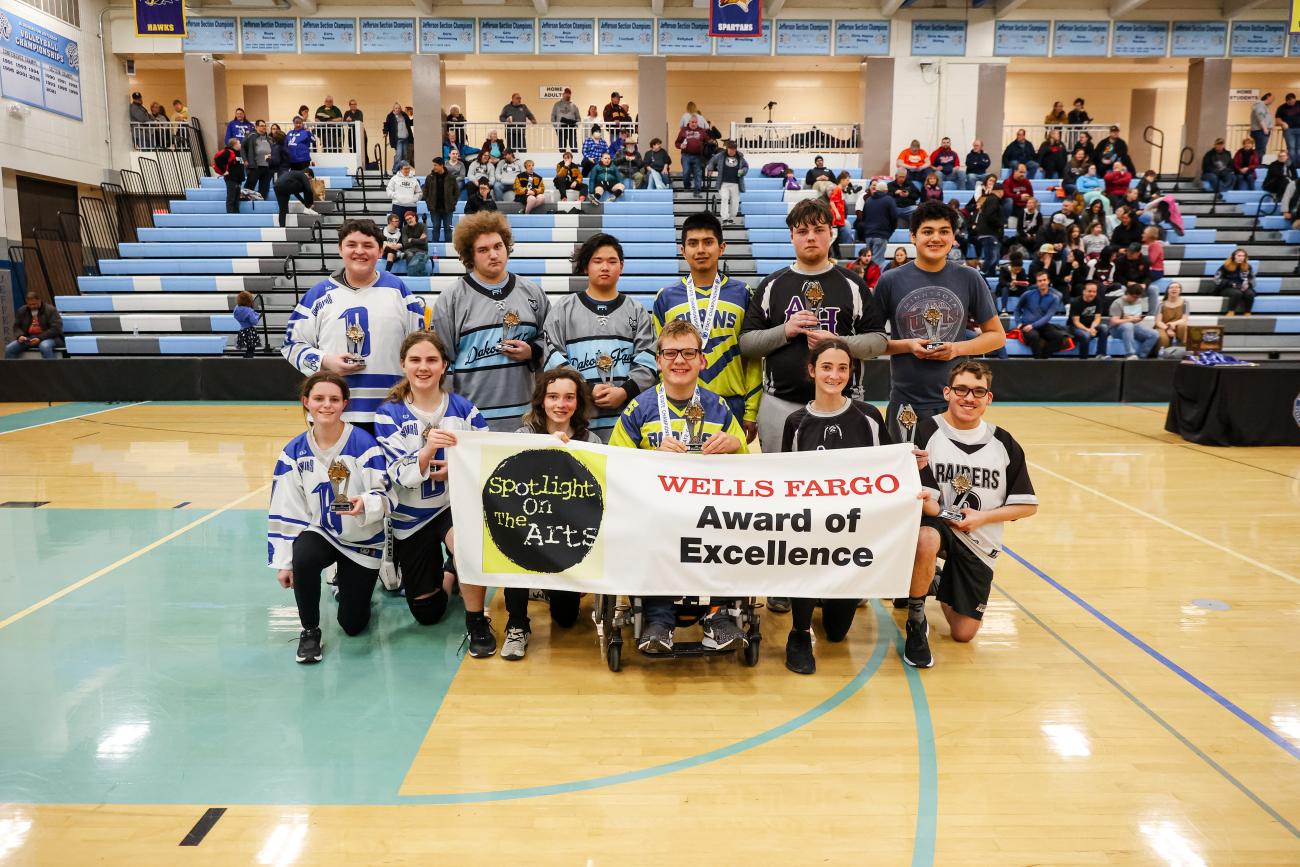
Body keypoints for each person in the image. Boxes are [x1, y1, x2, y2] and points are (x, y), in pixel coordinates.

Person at [780, 337, 941, 673]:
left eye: (842, 368)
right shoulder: (796, 422)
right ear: (812, 371)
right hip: (810, 531)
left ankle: (833, 594)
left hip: (853, 532)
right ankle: (798, 632)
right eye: (826, 367)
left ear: (851, 373)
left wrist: (908, 465)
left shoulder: (867, 416)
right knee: (803, 546)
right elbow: (785, 480)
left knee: (837, 634)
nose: (834, 375)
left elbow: (886, 469)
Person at [609, 318, 748, 654]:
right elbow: (613, 463)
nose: (680, 361)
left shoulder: (719, 407)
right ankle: (659, 619)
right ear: (658, 361)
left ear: (702, 359)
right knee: (652, 533)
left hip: (709, 512)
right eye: (670, 354)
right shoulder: (638, 409)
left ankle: (718, 616)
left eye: (688, 352)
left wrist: (733, 445)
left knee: (732, 530)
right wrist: (652, 456)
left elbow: (746, 462)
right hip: (655, 514)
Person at [911, 361, 1038, 665]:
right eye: (962, 389)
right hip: (938, 524)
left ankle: (936, 580)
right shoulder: (926, 430)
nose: (969, 398)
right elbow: (927, 503)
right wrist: (943, 512)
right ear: (947, 392)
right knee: (925, 539)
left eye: (978, 391)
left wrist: (982, 518)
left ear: (988, 398)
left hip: (978, 535)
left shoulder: (1004, 442)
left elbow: (1028, 505)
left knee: (963, 633)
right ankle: (915, 620)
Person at [375, 332, 493, 656]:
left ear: (444, 366)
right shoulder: (388, 414)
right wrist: (428, 450)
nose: (423, 367)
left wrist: (456, 469)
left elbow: (487, 458)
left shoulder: (464, 410)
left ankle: (476, 620)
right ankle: (449, 574)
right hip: (411, 519)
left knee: (468, 549)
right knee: (428, 614)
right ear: (403, 365)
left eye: (431, 360)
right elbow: (400, 474)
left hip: (452, 505)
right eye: (415, 360)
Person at [738, 197, 887, 452]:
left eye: (818, 230)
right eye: (802, 231)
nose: (810, 237)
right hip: (780, 404)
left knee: (840, 485)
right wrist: (785, 330)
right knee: (783, 484)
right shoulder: (772, 284)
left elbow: (879, 341)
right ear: (791, 237)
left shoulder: (852, 283)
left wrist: (838, 343)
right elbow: (747, 344)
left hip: (845, 404)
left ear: (831, 233)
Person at [268, 372, 392, 664]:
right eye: (319, 399)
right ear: (306, 402)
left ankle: (351, 588)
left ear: (345, 404)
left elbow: (387, 495)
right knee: (305, 555)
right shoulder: (293, 452)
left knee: (352, 625)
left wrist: (366, 503)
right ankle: (309, 631)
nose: (327, 405)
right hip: (322, 532)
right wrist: (286, 562)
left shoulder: (364, 444)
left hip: (362, 540)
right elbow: (287, 509)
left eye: (334, 399)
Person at [876, 200, 1004, 443]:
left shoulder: (970, 277)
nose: (936, 238)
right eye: (927, 231)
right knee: (908, 477)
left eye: (944, 231)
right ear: (913, 237)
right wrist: (907, 345)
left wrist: (956, 349)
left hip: (957, 403)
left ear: (954, 237)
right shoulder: (890, 280)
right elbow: (871, 341)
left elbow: (996, 336)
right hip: (906, 403)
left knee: (953, 479)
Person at [282, 220, 426, 426]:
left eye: (368, 245)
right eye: (351, 245)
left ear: (380, 250)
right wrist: (325, 361)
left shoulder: (399, 291)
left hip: (391, 411)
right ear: (340, 249)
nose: (360, 251)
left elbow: (420, 347)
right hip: (333, 412)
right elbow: (291, 345)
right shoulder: (317, 295)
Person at [499, 369, 598, 660]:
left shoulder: (590, 440)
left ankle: (544, 589)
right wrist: (545, 447)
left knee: (566, 618)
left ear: (578, 403)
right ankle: (517, 624)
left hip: (566, 535)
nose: (560, 404)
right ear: (541, 401)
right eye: (553, 396)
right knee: (512, 541)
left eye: (569, 397)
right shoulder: (523, 436)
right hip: (528, 528)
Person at [431, 211, 549, 431]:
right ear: (470, 255)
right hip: (472, 421)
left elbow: (552, 342)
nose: (493, 254)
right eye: (483, 250)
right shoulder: (451, 299)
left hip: (526, 420)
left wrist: (532, 351)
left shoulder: (533, 293)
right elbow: (441, 364)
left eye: (498, 246)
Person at [654, 212, 761, 443]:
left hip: (732, 402)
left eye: (708, 242)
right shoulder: (665, 298)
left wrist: (751, 410)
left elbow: (752, 357)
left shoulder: (743, 293)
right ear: (682, 250)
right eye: (693, 243)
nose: (700, 249)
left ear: (722, 247)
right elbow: (660, 358)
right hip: (679, 403)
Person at [544, 234, 657, 440]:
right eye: (597, 261)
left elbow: (649, 360)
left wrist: (625, 391)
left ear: (621, 266)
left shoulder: (637, 311)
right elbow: (552, 358)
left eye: (612, 261)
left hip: (626, 423)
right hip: (577, 424)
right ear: (586, 266)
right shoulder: (563, 309)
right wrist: (586, 389)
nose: (605, 267)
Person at [1016, 271, 1066, 358]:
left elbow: (1048, 316)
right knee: (1034, 336)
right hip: (1027, 324)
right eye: (1039, 281)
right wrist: (1018, 323)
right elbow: (1017, 309)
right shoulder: (1027, 294)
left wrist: (1033, 325)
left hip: (1042, 324)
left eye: (1044, 280)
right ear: (1037, 283)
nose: (1042, 282)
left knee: (1059, 337)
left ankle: (1043, 358)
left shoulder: (1054, 298)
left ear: (1048, 281)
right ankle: (1038, 360)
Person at [5, 291, 61, 359]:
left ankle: (51, 369)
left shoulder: (50, 310)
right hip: (28, 338)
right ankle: (11, 369)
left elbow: (56, 328)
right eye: (30, 304)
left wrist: (39, 338)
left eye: (34, 304)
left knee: (45, 347)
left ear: (39, 300)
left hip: (49, 338)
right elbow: (17, 326)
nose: (32, 306)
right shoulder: (22, 310)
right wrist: (20, 336)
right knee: (9, 349)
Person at [1108, 284, 1159, 358]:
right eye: (1134, 297)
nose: (1135, 299)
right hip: (1117, 329)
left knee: (1154, 334)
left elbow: (1136, 317)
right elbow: (1114, 321)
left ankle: (1142, 356)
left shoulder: (1138, 301)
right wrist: (1130, 319)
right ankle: (1130, 354)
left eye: (1137, 297)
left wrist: (1137, 319)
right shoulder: (1117, 303)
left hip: (1133, 326)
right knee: (1128, 325)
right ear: (1128, 294)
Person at [856, 180, 899, 263]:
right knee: (877, 263)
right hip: (881, 234)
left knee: (868, 262)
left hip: (868, 235)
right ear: (886, 190)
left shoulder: (868, 201)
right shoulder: (889, 200)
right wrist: (891, 230)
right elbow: (894, 217)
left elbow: (864, 218)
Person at [1068, 281, 1110, 359]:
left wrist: (1092, 328)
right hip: (1075, 327)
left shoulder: (1098, 300)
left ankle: (1101, 354)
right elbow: (1076, 322)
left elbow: (1097, 318)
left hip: (1090, 326)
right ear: (1084, 291)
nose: (1092, 294)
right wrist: (1088, 330)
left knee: (1104, 328)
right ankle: (1084, 359)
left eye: (1094, 292)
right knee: (1086, 335)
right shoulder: (1076, 302)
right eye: (1089, 291)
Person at [422, 158, 458, 244]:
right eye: (433, 165)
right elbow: (425, 192)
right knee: (436, 228)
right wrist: (429, 203)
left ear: (441, 165)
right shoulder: (429, 177)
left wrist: (452, 203)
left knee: (448, 229)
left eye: (435, 165)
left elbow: (456, 192)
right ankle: (435, 250)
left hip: (448, 209)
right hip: (434, 209)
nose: (433, 167)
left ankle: (449, 248)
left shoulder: (451, 177)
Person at [973, 184, 1006, 277]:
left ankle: (990, 274)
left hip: (987, 233)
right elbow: (990, 215)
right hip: (989, 233)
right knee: (991, 257)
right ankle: (981, 275)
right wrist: (1000, 225)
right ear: (1000, 191)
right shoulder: (993, 200)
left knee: (993, 257)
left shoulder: (990, 200)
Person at [1215, 248, 1256, 316]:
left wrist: (1248, 284)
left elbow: (1252, 279)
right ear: (1234, 256)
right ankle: (1231, 311)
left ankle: (1247, 312)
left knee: (1250, 293)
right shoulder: (1226, 266)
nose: (1241, 258)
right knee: (1237, 293)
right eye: (1239, 256)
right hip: (1228, 288)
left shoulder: (1248, 266)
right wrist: (1230, 284)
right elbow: (1217, 279)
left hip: (1242, 287)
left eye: (1243, 256)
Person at [241, 120, 274, 201]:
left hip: (267, 167)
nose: (264, 127)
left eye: (264, 126)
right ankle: (245, 203)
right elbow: (242, 148)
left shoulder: (269, 138)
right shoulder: (250, 136)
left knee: (264, 188)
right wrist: (245, 160)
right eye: (261, 125)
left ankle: (261, 204)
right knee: (249, 186)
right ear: (256, 127)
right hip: (254, 166)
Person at [675, 118, 707, 196]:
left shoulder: (702, 131)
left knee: (698, 174)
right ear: (689, 122)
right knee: (686, 172)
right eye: (692, 122)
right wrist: (680, 145)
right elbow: (677, 143)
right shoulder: (683, 130)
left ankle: (697, 191)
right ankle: (687, 186)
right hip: (686, 155)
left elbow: (707, 142)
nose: (694, 124)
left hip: (698, 156)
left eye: (695, 122)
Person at [213, 138, 245, 215]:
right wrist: (224, 171)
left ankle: (236, 214)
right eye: (239, 143)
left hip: (238, 179)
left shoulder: (238, 153)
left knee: (237, 198)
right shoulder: (228, 152)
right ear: (235, 145)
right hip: (231, 179)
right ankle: (230, 215)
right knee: (231, 197)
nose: (240, 144)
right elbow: (217, 160)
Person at [1155, 281, 1188, 350]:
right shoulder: (1161, 304)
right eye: (1171, 287)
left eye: (1177, 287)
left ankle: (1182, 348)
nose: (1174, 289)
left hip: (1177, 325)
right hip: (1163, 327)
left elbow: (1184, 319)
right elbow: (1158, 322)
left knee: (1183, 326)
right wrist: (1168, 329)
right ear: (1168, 291)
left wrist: (1173, 323)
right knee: (1164, 339)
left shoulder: (1185, 303)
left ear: (1180, 291)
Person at [384, 102, 414, 172]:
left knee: (405, 156)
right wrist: (385, 132)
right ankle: (395, 170)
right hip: (398, 139)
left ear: (400, 109)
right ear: (393, 109)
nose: (397, 109)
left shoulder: (404, 115)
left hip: (406, 138)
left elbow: (409, 123)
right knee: (399, 155)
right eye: (396, 108)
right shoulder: (390, 116)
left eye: (399, 108)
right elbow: (387, 125)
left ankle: (404, 170)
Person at [400, 211, 429, 277]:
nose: (409, 220)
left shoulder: (423, 226)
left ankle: (414, 276)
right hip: (409, 250)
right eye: (407, 220)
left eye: (410, 218)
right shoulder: (404, 229)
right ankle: (412, 276)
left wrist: (411, 240)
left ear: (415, 217)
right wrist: (419, 240)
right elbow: (405, 244)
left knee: (418, 256)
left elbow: (424, 242)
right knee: (410, 255)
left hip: (422, 250)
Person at [551, 87, 581, 151]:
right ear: (563, 94)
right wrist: (556, 127)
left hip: (571, 129)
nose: (568, 95)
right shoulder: (557, 105)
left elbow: (578, 118)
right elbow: (553, 116)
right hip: (561, 129)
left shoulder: (574, 106)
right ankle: (563, 160)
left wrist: (576, 126)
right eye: (566, 93)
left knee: (574, 148)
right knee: (562, 148)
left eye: (569, 93)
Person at [233, 290, 261, 358]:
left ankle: (247, 356)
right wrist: (258, 316)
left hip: (242, 329)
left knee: (248, 346)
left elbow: (236, 315)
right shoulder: (249, 311)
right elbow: (254, 321)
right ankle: (249, 357)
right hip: (250, 331)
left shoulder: (236, 308)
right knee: (251, 347)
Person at [1274, 92, 1300, 162]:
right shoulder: (1282, 108)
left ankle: (1299, 165)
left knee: (1298, 148)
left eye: (1293, 101)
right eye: (1289, 102)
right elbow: (1277, 119)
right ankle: (1293, 165)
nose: (1291, 103)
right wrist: (1282, 123)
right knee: (1291, 147)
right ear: (1286, 101)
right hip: (1289, 130)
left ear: (1295, 99)